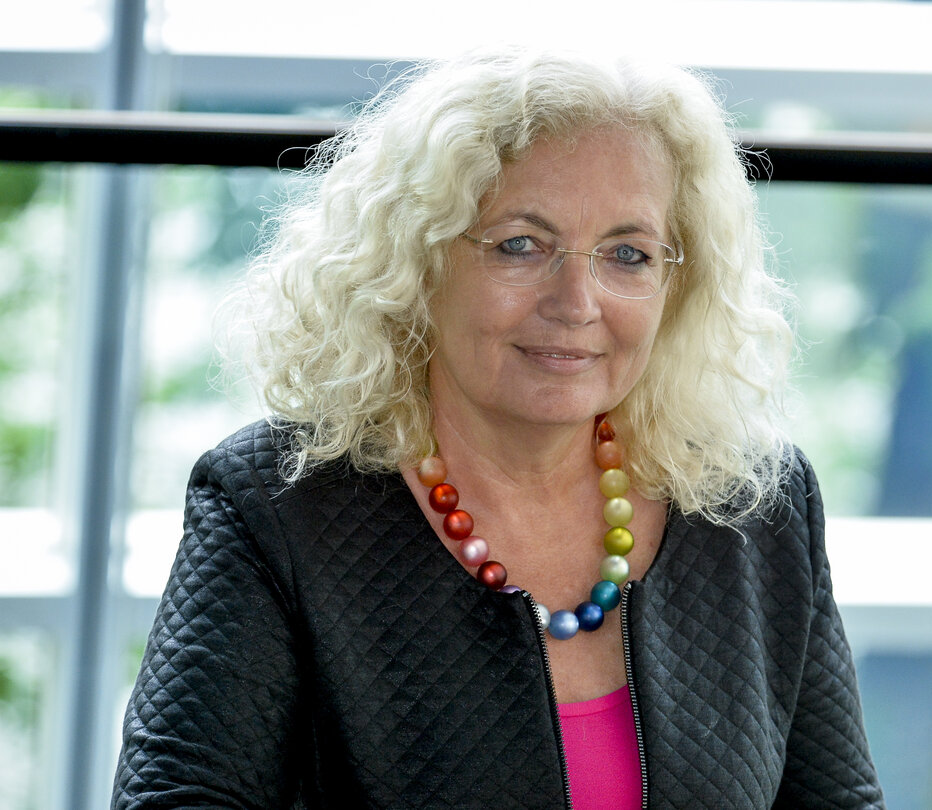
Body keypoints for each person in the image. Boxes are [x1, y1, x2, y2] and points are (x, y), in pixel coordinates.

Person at [113, 47, 885, 809]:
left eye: (627, 254)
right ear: (417, 259)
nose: (576, 301)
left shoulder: (759, 506)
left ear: (675, 283)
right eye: (521, 244)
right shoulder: (272, 505)